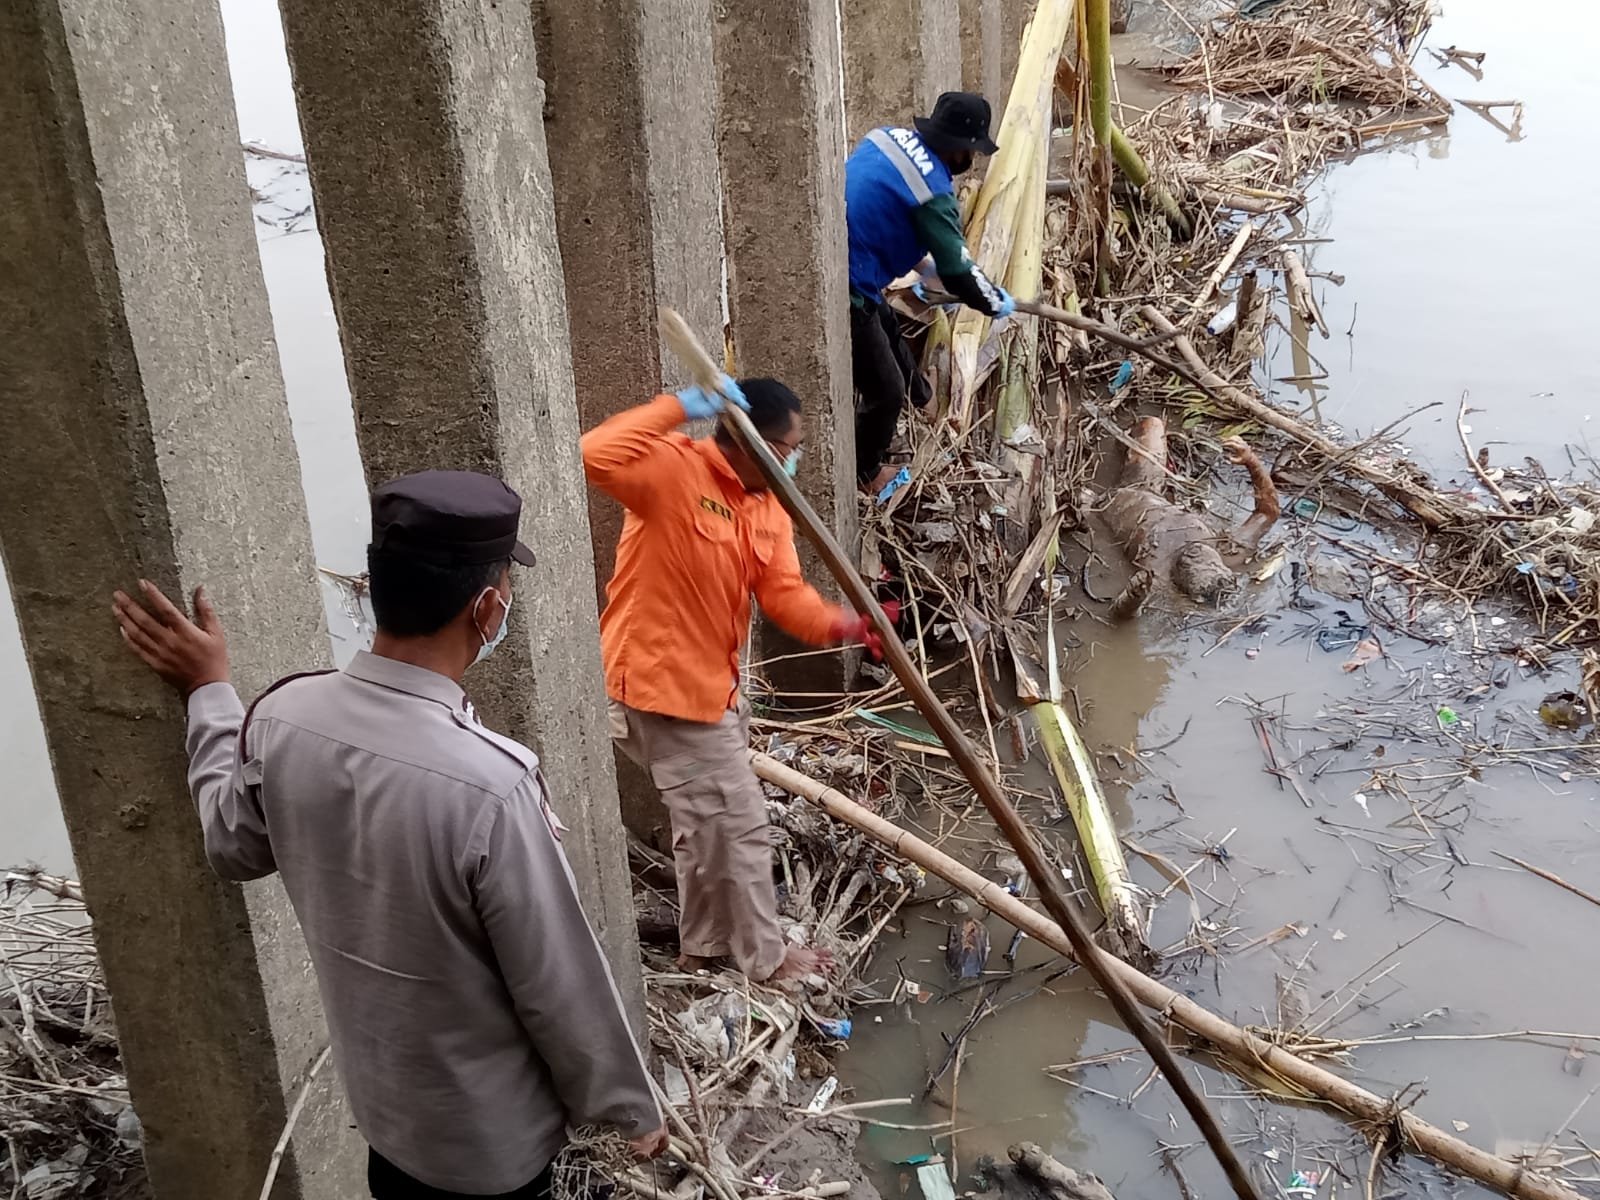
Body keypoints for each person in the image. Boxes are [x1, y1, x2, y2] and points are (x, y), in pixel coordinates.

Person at [111, 470, 665, 1200]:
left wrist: (211, 694)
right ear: (489, 607)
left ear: (374, 586)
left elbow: (231, 845)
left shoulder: (281, 719)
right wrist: (630, 1108)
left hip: (386, 1119)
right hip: (490, 1146)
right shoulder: (490, 785)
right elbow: (557, 983)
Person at [582, 376, 877, 983]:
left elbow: (785, 596)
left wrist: (844, 624)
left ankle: (705, 947)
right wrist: (674, 408)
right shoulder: (673, 471)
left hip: (717, 692)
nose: (794, 457)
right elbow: (593, 454)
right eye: (785, 445)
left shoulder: (769, 509)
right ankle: (766, 961)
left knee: (704, 830)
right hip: (662, 692)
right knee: (740, 828)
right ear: (746, 441)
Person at [845, 90, 1016, 493]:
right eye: (971, 151)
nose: (970, 161)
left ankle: (923, 399)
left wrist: (924, 266)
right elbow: (959, 271)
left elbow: (878, 204)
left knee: (887, 322)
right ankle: (865, 473)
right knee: (884, 391)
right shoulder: (934, 193)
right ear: (959, 149)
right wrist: (991, 300)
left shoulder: (885, 136)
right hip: (849, 282)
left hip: (847, 251)